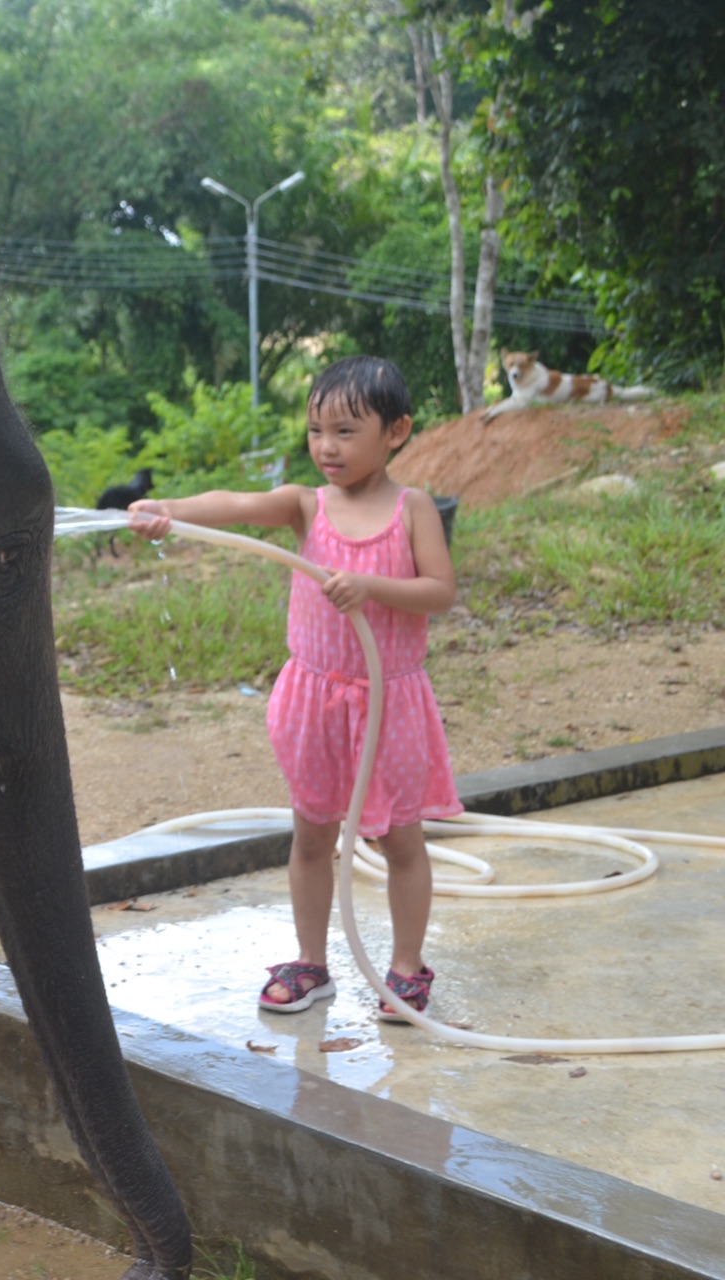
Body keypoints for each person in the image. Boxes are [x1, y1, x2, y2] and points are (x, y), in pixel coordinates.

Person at [127, 355, 459, 1022]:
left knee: (400, 840)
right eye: (315, 431)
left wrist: (371, 588)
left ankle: (405, 970)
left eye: (344, 431)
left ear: (396, 432)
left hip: (388, 702)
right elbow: (236, 504)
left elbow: (440, 592)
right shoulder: (307, 505)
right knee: (312, 835)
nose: (325, 448)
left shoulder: (412, 508)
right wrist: (168, 509)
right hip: (313, 697)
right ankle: (312, 964)